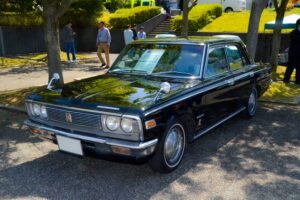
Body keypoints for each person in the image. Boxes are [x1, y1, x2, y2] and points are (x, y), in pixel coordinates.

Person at [283, 18, 300, 85]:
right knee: (291, 66)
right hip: (293, 53)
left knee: (299, 68)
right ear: (298, 25)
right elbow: (296, 40)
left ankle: (298, 81)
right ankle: (286, 79)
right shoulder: (294, 32)